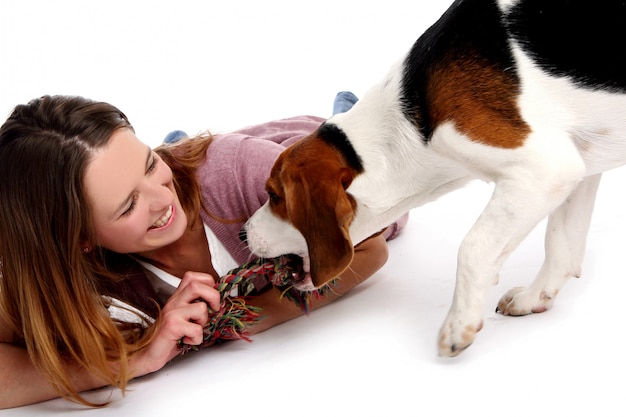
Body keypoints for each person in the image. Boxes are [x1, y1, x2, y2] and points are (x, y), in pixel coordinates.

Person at [0, 94, 407, 409]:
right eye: (127, 205)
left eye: (147, 164)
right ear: (81, 240)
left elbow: (371, 250)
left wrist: (243, 318)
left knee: (360, 151)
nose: (162, 199)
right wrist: (139, 359)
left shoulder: (239, 173)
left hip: (301, 161)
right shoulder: (67, 274)